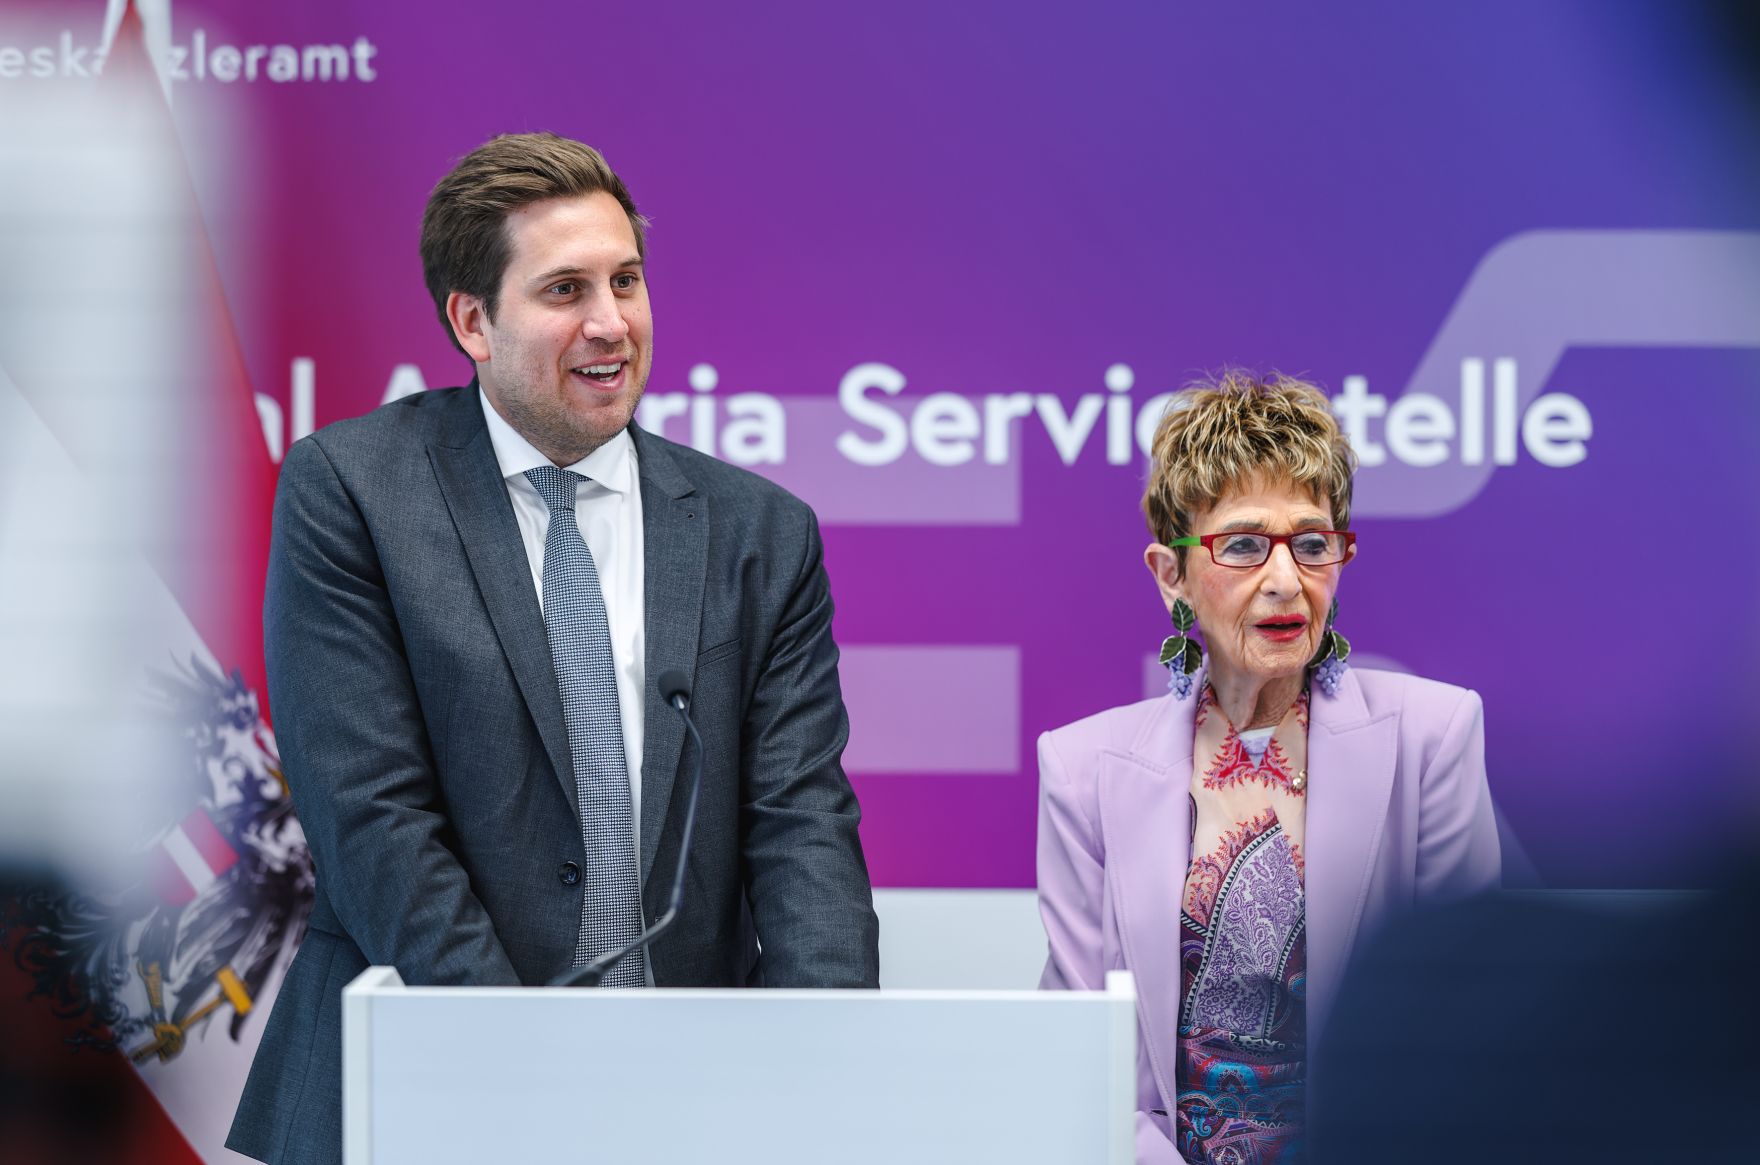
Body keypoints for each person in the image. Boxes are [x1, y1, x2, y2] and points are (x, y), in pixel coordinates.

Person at [227, 132, 879, 1165]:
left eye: (626, 280)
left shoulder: (759, 531)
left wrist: (822, 1079)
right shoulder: (353, 491)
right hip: (419, 1083)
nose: (611, 322)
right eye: (565, 290)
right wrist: (522, 1076)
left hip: (685, 1103)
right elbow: (371, 817)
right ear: (472, 321)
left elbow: (802, 825)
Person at [1034, 373, 1500, 1165]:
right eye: (1244, 544)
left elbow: (1476, 1027)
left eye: (1312, 544)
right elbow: (1079, 1062)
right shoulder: (1083, 769)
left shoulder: (1433, 737)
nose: (1286, 580)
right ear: (1171, 574)